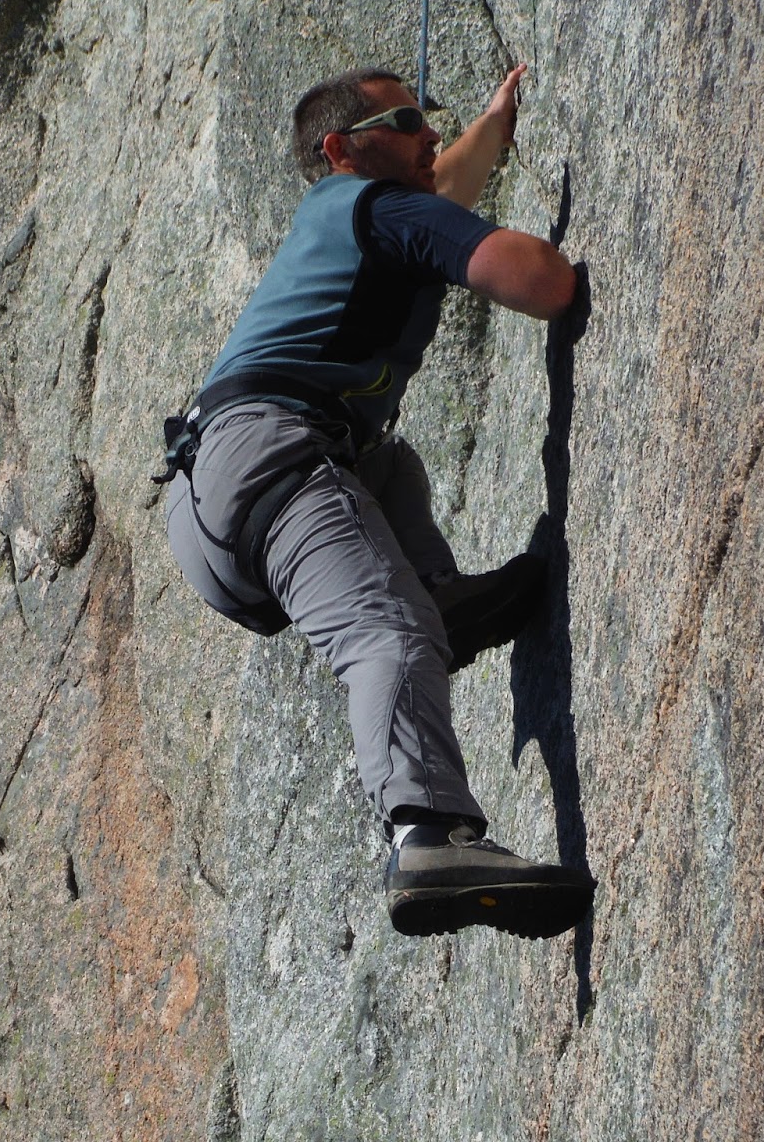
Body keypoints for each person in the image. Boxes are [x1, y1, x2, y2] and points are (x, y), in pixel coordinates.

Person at [158, 64, 594, 939]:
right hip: (266, 458)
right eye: (407, 121)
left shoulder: (355, 218)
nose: (430, 135)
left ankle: (436, 594)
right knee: (383, 633)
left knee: (391, 470)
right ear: (340, 149)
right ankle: (425, 832)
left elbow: (439, 191)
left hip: (218, 491)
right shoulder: (376, 209)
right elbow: (542, 282)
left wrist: (494, 127)